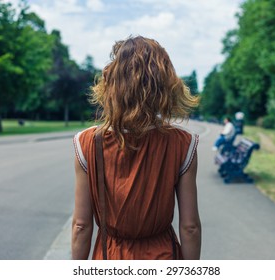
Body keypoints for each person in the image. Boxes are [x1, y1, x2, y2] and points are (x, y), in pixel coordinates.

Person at [72, 36, 202, 260]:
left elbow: (81, 226)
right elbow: (190, 227)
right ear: (164, 85)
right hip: (163, 255)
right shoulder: (183, 143)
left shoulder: (87, 142)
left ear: (112, 83)